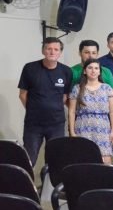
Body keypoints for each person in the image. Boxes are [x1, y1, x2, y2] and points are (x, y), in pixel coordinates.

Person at [18, 37, 72, 166]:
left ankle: (51, 186)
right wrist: (34, 109)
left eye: (56, 49)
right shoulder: (30, 68)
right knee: (29, 158)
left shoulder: (66, 71)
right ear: (43, 50)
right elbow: (22, 94)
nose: (52, 52)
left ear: (60, 52)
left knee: (56, 159)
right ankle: (26, 185)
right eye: (49, 49)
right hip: (34, 124)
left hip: (56, 124)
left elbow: (65, 96)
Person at [68, 59, 113, 164]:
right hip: (82, 127)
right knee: (83, 159)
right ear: (84, 71)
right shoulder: (77, 88)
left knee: (105, 160)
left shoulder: (107, 88)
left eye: (96, 68)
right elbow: (71, 112)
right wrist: (72, 132)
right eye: (90, 68)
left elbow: (112, 111)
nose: (93, 71)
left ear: (99, 71)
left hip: (103, 128)